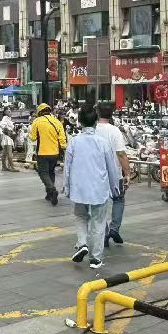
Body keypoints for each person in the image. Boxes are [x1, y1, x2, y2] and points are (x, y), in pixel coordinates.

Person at [63, 102, 119, 269]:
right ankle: (95, 258)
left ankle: (82, 244)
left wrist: (67, 187)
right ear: (95, 122)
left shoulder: (74, 142)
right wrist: (115, 187)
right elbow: (111, 168)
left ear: (79, 122)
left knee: (81, 217)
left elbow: (67, 167)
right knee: (98, 222)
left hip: (79, 188)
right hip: (99, 189)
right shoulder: (102, 143)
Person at [95, 102, 130, 246]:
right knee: (118, 200)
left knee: (99, 205)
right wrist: (127, 173)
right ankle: (114, 229)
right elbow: (121, 153)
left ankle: (104, 234)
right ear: (111, 114)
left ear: (97, 113)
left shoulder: (92, 130)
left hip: (96, 173)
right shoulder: (115, 131)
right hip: (114, 173)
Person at [29, 103, 68, 206]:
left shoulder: (37, 121)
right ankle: (49, 194)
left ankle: (52, 189)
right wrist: (64, 148)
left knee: (43, 173)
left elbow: (32, 138)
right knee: (51, 172)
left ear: (39, 112)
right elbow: (62, 139)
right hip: (55, 153)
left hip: (42, 152)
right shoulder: (56, 121)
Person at [0, 108, 19, 172]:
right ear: (5, 112)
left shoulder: (8, 118)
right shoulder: (5, 118)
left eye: (10, 111)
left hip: (7, 137)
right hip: (7, 137)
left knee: (4, 153)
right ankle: (12, 167)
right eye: (9, 111)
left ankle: (4, 167)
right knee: (9, 153)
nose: (10, 112)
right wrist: (8, 130)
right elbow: (2, 125)